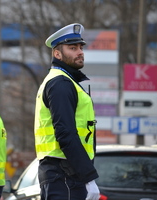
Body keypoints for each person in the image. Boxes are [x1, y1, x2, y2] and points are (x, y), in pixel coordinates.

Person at [34, 23, 100, 200]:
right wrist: (89, 177)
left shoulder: (64, 81)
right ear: (57, 54)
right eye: (72, 48)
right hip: (65, 176)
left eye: (80, 47)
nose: (80, 52)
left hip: (63, 174)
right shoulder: (60, 83)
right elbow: (65, 133)